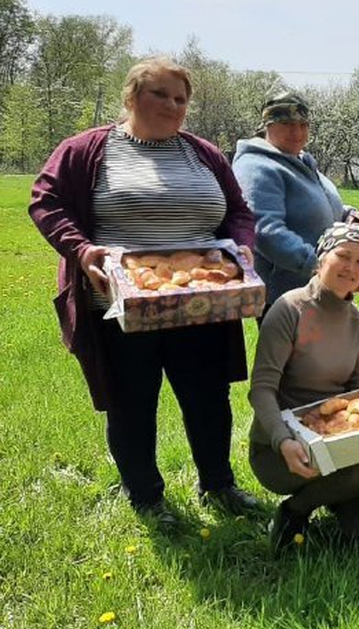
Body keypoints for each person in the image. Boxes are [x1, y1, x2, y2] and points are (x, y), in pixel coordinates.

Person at [27, 57, 259, 527]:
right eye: (161, 94)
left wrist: (242, 250)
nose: (174, 106)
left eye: (181, 98)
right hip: (123, 304)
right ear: (131, 97)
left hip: (201, 299)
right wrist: (82, 251)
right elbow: (45, 200)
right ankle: (146, 495)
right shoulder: (87, 150)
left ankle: (218, 484)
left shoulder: (204, 154)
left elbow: (239, 211)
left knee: (208, 397)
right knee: (131, 400)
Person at [248, 223, 359, 551]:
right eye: (343, 255)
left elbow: (357, 382)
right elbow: (261, 387)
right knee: (357, 475)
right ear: (321, 259)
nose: (352, 267)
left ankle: (328, 492)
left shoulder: (358, 320)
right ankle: (293, 510)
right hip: (281, 449)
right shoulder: (289, 309)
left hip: (336, 440)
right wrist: (282, 440)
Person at [233, 92, 357, 307]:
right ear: (268, 125)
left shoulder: (299, 159)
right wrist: (316, 264)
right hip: (287, 296)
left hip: (320, 284)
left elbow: (313, 202)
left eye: (303, 124)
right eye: (287, 123)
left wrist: (347, 214)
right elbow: (265, 231)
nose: (297, 131)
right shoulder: (257, 167)